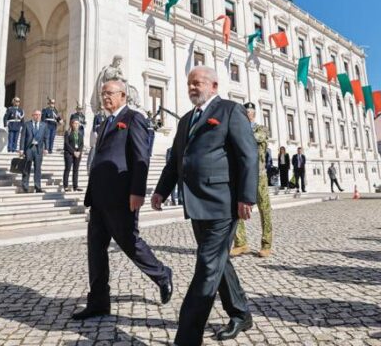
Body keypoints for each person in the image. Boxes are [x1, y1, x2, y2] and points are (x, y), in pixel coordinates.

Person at [152, 66, 257, 345]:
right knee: (217, 262)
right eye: (189, 84)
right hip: (196, 204)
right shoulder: (186, 119)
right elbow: (177, 160)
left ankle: (186, 338)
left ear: (213, 85)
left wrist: (247, 196)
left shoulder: (230, 110)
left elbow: (248, 155)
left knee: (207, 267)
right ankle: (241, 312)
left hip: (223, 203)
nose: (192, 88)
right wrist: (161, 191)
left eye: (197, 83)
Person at [72, 79, 173, 320]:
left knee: (129, 243)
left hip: (121, 196)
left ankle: (162, 274)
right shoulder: (105, 122)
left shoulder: (133, 118)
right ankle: (98, 301)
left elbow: (141, 157)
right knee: (95, 250)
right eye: (102, 93)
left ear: (123, 95)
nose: (105, 97)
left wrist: (137, 191)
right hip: (98, 196)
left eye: (110, 93)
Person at [231, 102, 273, 259]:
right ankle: (241, 243)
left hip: (259, 175)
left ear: (253, 114)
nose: (246, 114)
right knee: (236, 208)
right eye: (244, 112)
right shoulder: (238, 130)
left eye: (248, 112)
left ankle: (266, 244)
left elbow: (254, 138)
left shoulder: (261, 129)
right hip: (241, 175)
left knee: (264, 209)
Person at [19, 110, 46, 193]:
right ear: (32, 115)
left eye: (39, 115)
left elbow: (46, 138)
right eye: (36, 115)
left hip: (38, 150)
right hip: (29, 149)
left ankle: (38, 187)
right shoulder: (27, 124)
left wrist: (46, 148)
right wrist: (21, 149)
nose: (37, 116)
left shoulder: (44, 125)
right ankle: (25, 186)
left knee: (38, 169)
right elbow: (23, 137)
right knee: (27, 168)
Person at [63, 118, 83, 192]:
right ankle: (66, 186)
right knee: (67, 169)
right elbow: (66, 144)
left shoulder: (80, 133)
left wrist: (79, 152)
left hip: (78, 154)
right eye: (75, 123)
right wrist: (73, 152)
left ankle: (75, 186)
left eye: (78, 123)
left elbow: (81, 144)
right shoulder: (67, 133)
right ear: (71, 124)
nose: (76, 125)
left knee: (76, 170)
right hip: (69, 153)